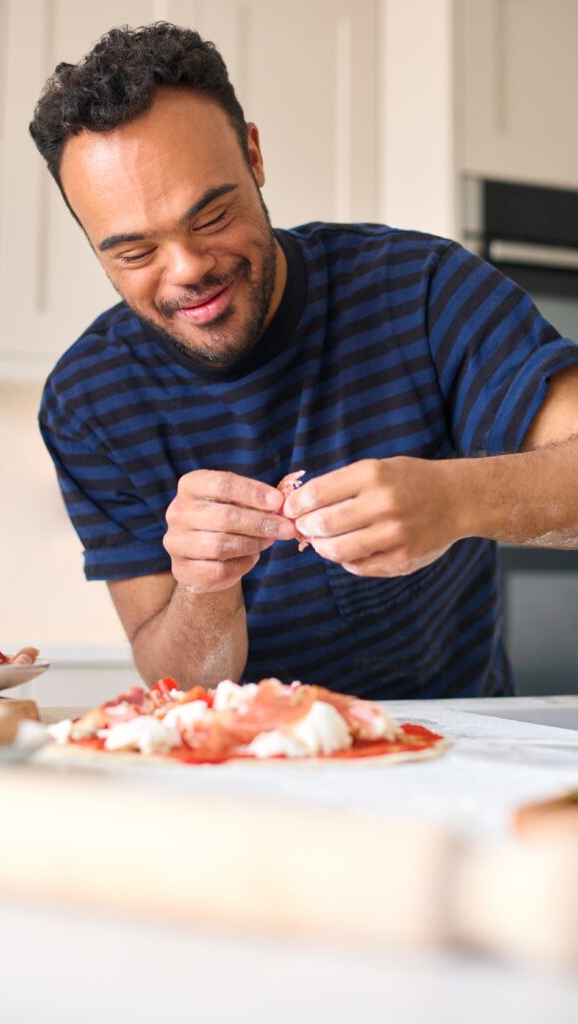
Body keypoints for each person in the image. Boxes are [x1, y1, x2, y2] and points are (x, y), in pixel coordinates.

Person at [29, 22, 578, 699]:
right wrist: (204, 587)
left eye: (209, 218)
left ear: (253, 155)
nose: (188, 271)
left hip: (460, 749)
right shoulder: (86, 398)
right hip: (243, 767)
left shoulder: (422, 289)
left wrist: (454, 500)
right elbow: (174, 676)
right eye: (134, 253)